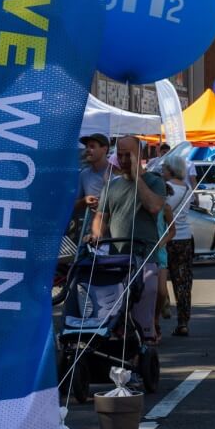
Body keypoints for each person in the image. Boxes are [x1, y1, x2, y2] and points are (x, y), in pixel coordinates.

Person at [89, 137, 167, 338]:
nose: (122, 159)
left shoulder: (155, 182)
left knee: (144, 307)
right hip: (117, 259)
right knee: (116, 315)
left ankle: (146, 342)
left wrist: (136, 176)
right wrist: (96, 234)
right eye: (119, 155)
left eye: (127, 155)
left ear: (140, 155)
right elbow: (100, 217)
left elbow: (153, 207)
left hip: (145, 258)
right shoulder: (111, 185)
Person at [162, 156, 196, 337]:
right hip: (185, 237)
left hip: (167, 238)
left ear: (170, 169)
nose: (162, 171)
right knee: (183, 282)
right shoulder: (187, 188)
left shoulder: (165, 189)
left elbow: (161, 210)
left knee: (160, 275)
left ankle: (164, 303)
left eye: (164, 168)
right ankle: (183, 322)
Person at [72, 134, 112, 244]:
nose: (88, 150)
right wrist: (85, 200)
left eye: (92, 146)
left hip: (114, 237)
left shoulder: (116, 172)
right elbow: (74, 205)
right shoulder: (84, 174)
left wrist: (104, 204)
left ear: (104, 149)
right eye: (87, 147)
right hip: (90, 236)